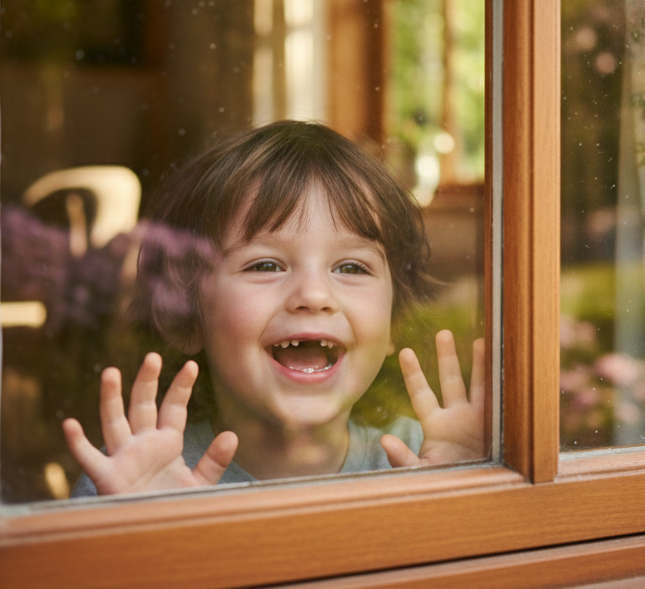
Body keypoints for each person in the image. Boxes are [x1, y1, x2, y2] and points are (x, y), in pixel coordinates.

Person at [64, 121, 485, 494]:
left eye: (352, 267)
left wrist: (474, 491)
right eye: (266, 264)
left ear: (394, 321)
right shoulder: (135, 477)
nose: (315, 295)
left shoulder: (429, 459)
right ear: (185, 315)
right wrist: (143, 536)